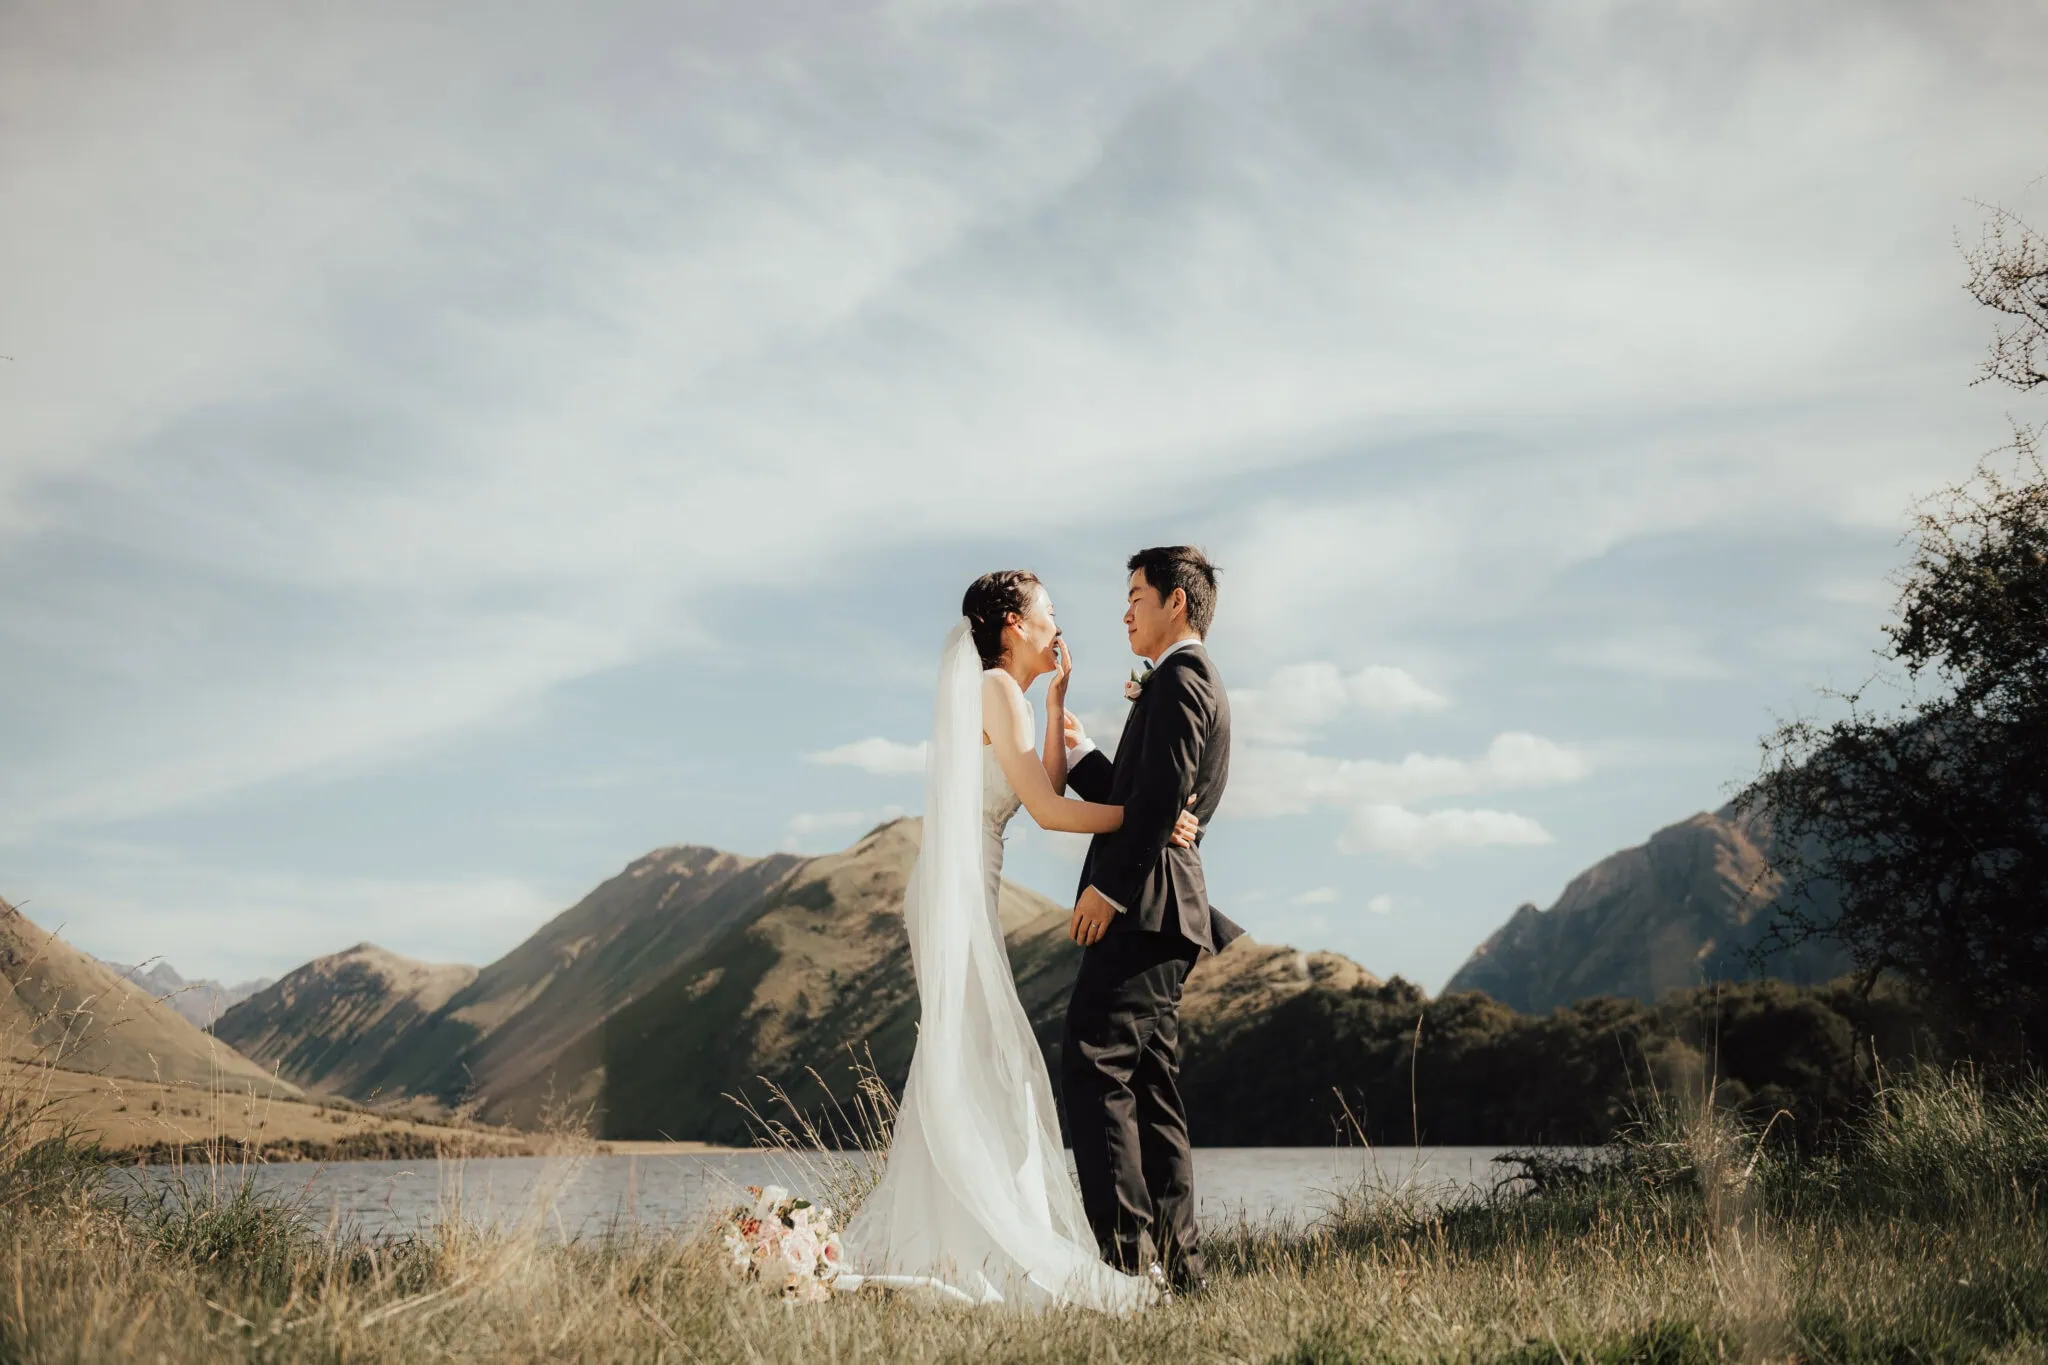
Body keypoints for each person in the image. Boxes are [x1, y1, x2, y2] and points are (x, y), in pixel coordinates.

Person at [839, 569, 1201, 1311]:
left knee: (977, 1056)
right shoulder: (999, 690)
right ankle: (977, 1233)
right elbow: (1046, 810)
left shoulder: (1012, 695)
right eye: (1049, 612)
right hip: (957, 890)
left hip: (964, 884)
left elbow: (1046, 785)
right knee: (985, 1055)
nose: (1058, 624)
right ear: (1012, 622)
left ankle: (960, 1227)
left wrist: (1061, 700)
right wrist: (1149, 820)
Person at [1060, 546, 1239, 1296]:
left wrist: (1110, 889)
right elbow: (1154, 803)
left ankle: (1128, 1267)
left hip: (1146, 908)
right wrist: (1082, 751)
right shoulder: (1179, 683)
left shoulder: (1183, 679)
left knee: (1092, 1060)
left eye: (1136, 594)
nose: (1125, 610)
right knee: (1153, 1087)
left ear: (1176, 602)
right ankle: (1184, 1275)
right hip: (1170, 909)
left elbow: (1168, 798)